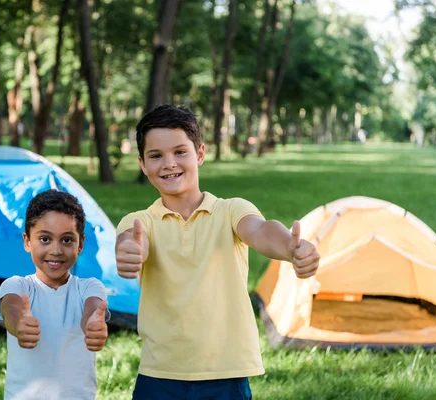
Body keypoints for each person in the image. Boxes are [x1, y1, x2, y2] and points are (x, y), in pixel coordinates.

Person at [115, 105, 320, 400]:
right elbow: (130, 241)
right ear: (143, 164)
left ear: (200, 153)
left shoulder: (230, 210)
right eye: (156, 155)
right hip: (159, 373)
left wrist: (291, 247)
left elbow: (261, 231)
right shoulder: (140, 222)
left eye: (179, 152)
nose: (169, 163)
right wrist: (129, 251)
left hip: (225, 375)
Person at [0, 189, 109, 400]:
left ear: (80, 244)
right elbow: (11, 308)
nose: (56, 250)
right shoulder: (16, 285)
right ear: (27, 241)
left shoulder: (90, 287)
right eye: (45, 239)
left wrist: (93, 325)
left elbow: (92, 311)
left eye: (66, 240)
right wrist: (18, 323)